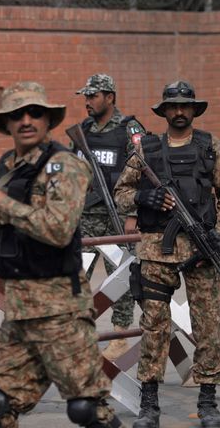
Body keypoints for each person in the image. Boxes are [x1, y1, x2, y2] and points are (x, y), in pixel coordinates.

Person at [0, 81, 122, 428]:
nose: (26, 120)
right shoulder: (7, 165)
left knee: (87, 409)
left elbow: (59, 230)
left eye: (35, 112)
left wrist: (5, 205)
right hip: (19, 308)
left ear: (47, 120)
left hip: (61, 312)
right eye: (17, 114)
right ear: (7, 123)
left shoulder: (64, 166)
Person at [114, 80, 220, 428]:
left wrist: (217, 232)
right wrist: (143, 198)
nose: (179, 112)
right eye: (173, 106)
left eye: (186, 106)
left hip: (201, 252)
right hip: (156, 250)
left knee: (208, 327)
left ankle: (208, 401)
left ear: (194, 110)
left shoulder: (210, 146)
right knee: (153, 326)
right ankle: (149, 404)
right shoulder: (146, 151)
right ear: (164, 111)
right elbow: (121, 192)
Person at [74, 74, 145, 360]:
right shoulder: (82, 130)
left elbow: (145, 173)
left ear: (110, 97)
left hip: (117, 215)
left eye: (93, 96)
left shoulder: (129, 129)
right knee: (76, 277)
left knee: (122, 276)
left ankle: (119, 335)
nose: (87, 101)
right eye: (86, 96)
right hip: (85, 216)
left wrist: (132, 214)